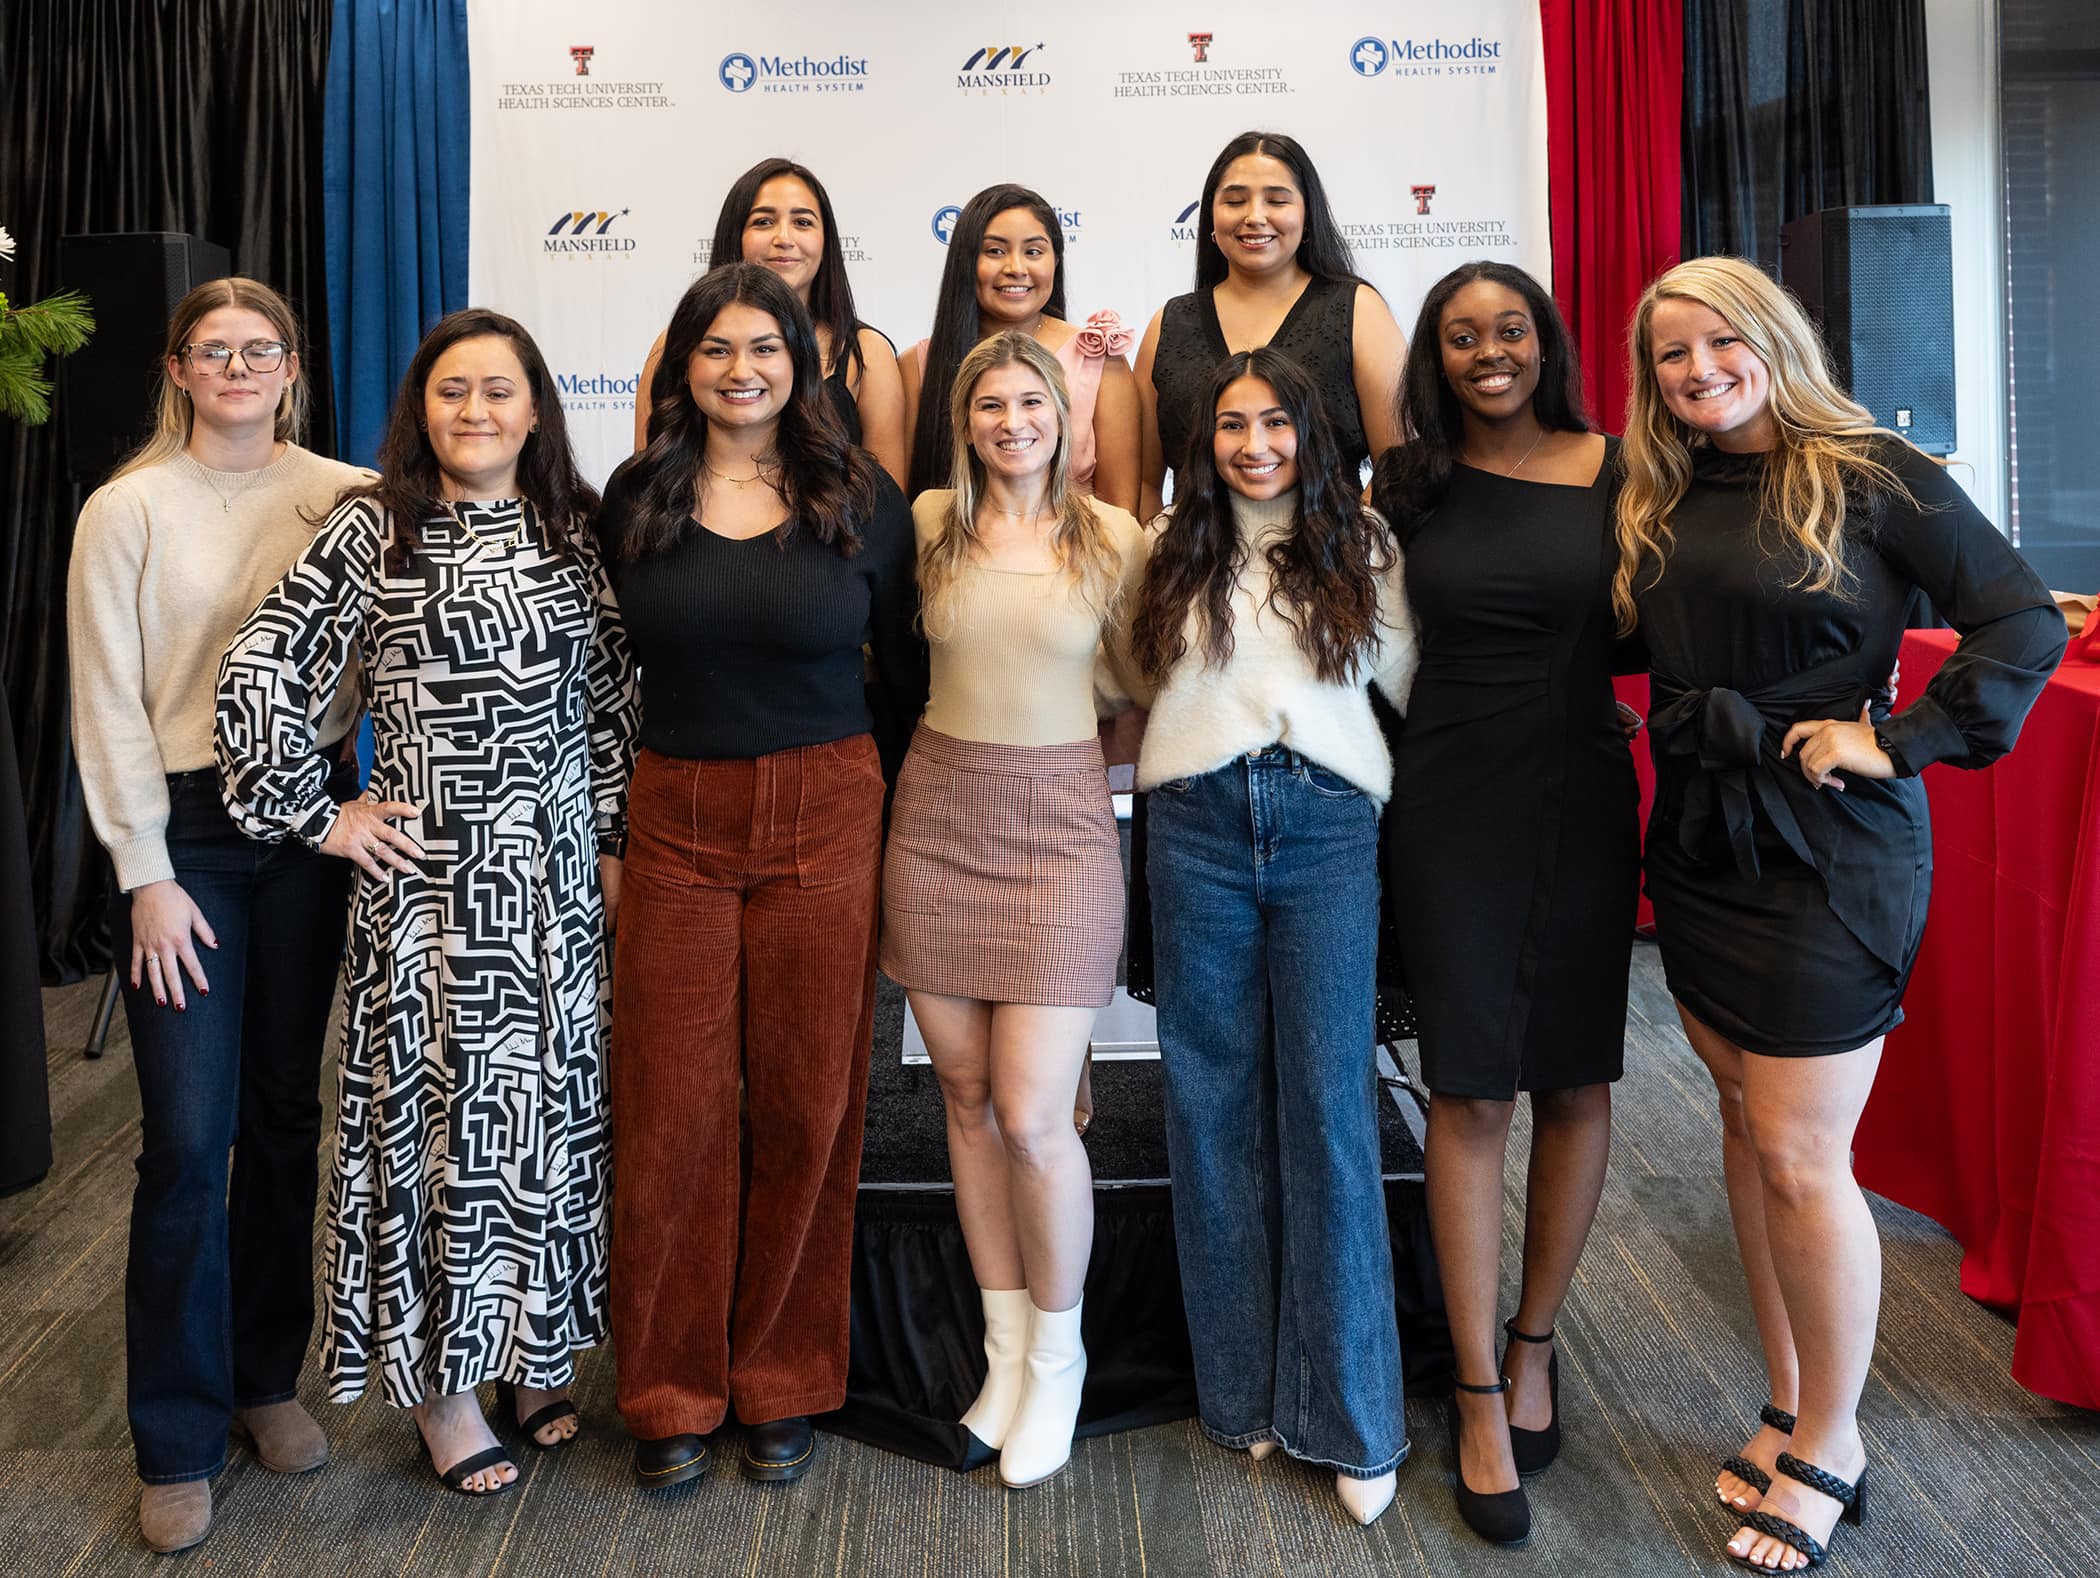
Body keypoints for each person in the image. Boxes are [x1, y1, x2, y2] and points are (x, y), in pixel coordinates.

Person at [1617, 257, 2064, 1572]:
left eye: (1717, 343)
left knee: (1808, 1154)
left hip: (1829, 850)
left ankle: (1835, 1440)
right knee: (1751, 1134)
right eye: (1668, 355)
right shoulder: (1662, 486)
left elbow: (2019, 617)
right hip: (1702, 838)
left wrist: (1903, 739)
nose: (1696, 369)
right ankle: (1785, 1396)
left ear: (1770, 336)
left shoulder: (1871, 468)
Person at [216, 308, 636, 1498]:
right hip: (429, 896)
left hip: (551, 893)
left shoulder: (576, 526)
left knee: (547, 1126)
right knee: (439, 1140)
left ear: (537, 407)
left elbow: (611, 701)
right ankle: (445, 1391)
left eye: (499, 391)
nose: (476, 412)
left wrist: (606, 842)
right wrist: (323, 814)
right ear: (421, 409)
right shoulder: (373, 526)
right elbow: (259, 672)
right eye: (453, 392)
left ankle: (531, 1352)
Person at [598, 262, 928, 1491]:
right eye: (716, 349)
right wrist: (613, 839)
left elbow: (903, 680)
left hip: (832, 808)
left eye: (766, 348)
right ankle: (670, 1387)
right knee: (672, 1110)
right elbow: (604, 675)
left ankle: (783, 1378)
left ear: (802, 362)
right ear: (683, 367)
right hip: (676, 814)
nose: (743, 369)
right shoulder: (637, 495)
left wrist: (893, 843)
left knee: (808, 1104)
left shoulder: (860, 495)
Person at [66, 277, 366, 1555]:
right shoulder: (124, 509)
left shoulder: (349, 496)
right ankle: (177, 1434)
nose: (239, 367)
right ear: (180, 369)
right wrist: (144, 870)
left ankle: (260, 1381)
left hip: (303, 835)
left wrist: (320, 789)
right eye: (213, 350)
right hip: (182, 838)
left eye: (262, 349)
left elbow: (366, 668)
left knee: (287, 1114)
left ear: (291, 366)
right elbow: (108, 701)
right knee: (187, 1142)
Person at [1371, 262, 1639, 1549]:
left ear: (1547, 343)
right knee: (1472, 1090)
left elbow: (1666, 623)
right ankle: (1478, 1393)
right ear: (1437, 356)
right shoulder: (1407, 482)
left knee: (1577, 1081)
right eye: (1464, 336)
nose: (1491, 352)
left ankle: (1538, 1342)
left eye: (1511, 330)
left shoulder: (1621, 466)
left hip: (1585, 795)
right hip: (1448, 802)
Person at [1130, 347, 1417, 1527]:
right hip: (1192, 824)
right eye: (1230, 425)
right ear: (1201, 442)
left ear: (1311, 429)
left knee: (1333, 1109)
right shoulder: (1166, 549)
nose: (1253, 445)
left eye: (1275, 424)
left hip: (1328, 823)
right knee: (1210, 1105)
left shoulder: (1368, 544)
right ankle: (1242, 1394)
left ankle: (1352, 1419)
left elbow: (1404, 678)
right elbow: (1128, 676)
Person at [882, 331, 1147, 1487]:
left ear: (1063, 417)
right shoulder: (929, 522)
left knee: (1039, 1116)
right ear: (965, 418)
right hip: (936, 816)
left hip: (1060, 825)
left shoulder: (1113, 537)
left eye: (1030, 400)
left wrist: (1067, 772)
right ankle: (1000, 1356)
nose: (1011, 420)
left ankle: (1060, 1359)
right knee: (967, 1097)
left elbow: (1143, 695)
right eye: (989, 402)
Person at [1134, 129, 1406, 517]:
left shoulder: (1359, 311)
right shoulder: (1169, 323)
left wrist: (1351, 547)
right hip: (1197, 568)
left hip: (1332, 567)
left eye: (1277, 200)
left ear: (1308, 214)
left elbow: (1399, 467)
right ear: (1210, 215)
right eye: (1235, 201)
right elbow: (1143, 483)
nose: (1254, 216)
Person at [635, 157, 907, 485]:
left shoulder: (868, 353)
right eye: (763, 222)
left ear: (826, 241)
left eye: (803, 223)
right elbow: (645, 482)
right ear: (735, 235)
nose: (784, 238)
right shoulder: (673, 344)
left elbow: (888, 501)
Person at [901, 183, 1139, 515]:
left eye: (1033, 251)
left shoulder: (1099, 358)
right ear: (966, 262)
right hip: (953, 562)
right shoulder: (918, 366)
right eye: (995, 251)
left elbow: (1122, 515)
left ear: (1056, 260)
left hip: (1079, 561)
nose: (1016, 267)